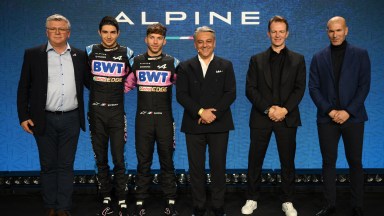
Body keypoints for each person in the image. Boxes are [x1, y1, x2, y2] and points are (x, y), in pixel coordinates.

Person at [17, 14, 89, 216]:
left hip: (71, 118)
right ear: (46, 31)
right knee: (48, 165)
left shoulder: (80, 55)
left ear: (69, 32)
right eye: (53, 28)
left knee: (66, 165)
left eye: (61, 29)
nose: (57, 32)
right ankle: (50, 205)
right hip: (43, 119)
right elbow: (23, 87)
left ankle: (63, 207)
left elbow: (91, 83)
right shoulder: (32, 54)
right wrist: (23, 116)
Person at [241, 15, 306, 216]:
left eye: (281, 31)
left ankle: (287, 200)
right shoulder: (256, 59)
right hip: (261, 117)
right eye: (274, 31)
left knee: (288, 161)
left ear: (287, 33)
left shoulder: (298, 59)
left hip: (287, 118)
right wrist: (269, 110)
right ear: (268, 33)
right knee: (255, 160)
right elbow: (250, 89)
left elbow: (299, 88)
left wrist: (284, 110)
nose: (277, 35)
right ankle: (251, 198)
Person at [309, 16, 370, 216]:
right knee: (328, 162)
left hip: (353, 118)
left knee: (355, 161)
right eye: (331, 31)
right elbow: (314, 88)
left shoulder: (361, 54)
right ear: (327, 32)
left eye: (338, 30)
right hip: (327, 119)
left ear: (346, 31)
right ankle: (330, 205)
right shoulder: (318, 57)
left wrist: (347, 111)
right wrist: (331, 111)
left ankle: (357, 205)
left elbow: (364, 87)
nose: (335, 35)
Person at [176, 26, 236, 216]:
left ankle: (218, 207)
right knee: (196, 169)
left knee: (218, 167)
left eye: (208, 41)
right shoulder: (185, 66)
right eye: (200, 42)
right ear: (195, 44)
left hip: (219, 124)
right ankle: (199, 207)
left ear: (214, 43)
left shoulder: (226, 65)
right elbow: (181, 95)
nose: (204, 45)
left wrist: (213, 115)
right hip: (194, 124)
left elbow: (230, 93)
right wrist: (201, 112)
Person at [125, 23, 179, 216]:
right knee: (143, 162)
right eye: (152, 38)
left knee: (167, 162)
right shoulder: (136, 62)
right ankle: (140, 200)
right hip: (143, 120)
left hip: (165, 120)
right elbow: (122, 87)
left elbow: (188, 88)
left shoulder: (173, 62)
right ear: (146, 39)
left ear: (164, 41)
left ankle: (170, 201)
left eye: (159, 38)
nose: (155, 42)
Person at [86, 16, 134, 216]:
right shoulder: (90, 51)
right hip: (96, 112)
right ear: (99, 33)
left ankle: (122, 195)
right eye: (105, 32)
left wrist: (120, 89)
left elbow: (133, 77)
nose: (108, 36)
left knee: (118, 157)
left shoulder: (127, 53)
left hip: (116, 113)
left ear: (118, 33)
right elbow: (84, 77)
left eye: (112, 32)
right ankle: (105, 194)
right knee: (100, 157)